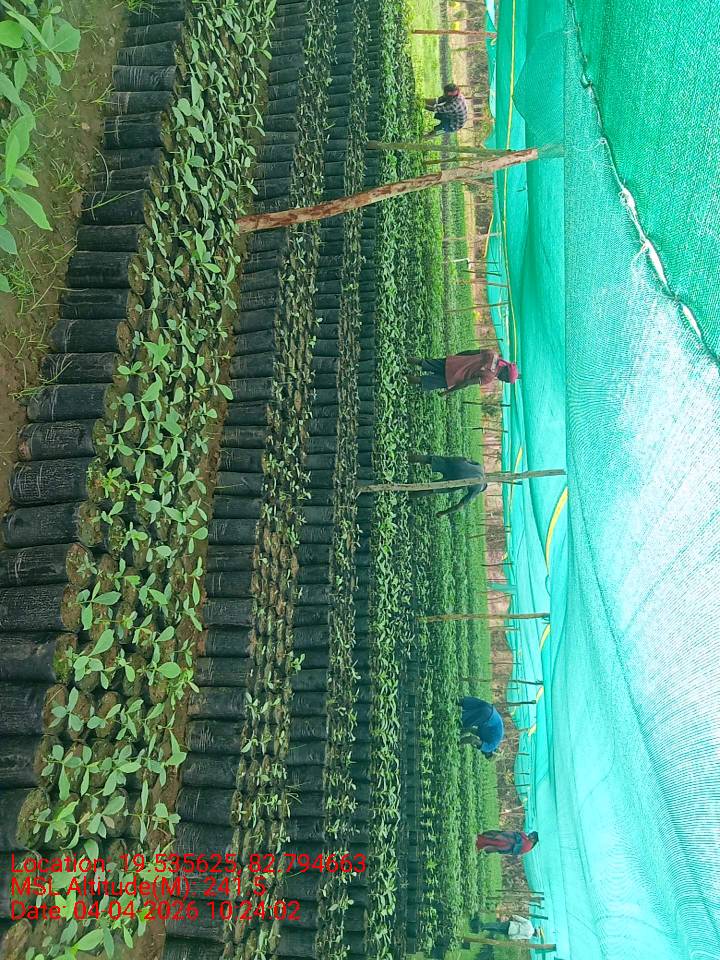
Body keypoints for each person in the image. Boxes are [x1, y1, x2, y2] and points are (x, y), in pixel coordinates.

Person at [408, 349, 519, 395]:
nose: (503, 381)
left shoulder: (492, 354)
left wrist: (456, 358)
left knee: (423, 362)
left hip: (452, 363)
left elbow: (470, 352)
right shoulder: (489, 377)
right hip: (452, 377)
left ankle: (404, 359)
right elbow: (467, 383)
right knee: (422, 381)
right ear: (505, 373)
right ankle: (403, 379)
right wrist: (448, 391)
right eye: (506, 380)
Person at [408, 453, 487, 517]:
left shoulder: (480, 467)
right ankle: (407, 495)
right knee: (433, 489)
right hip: (457, 480)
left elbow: (466, 459)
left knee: (431, 459)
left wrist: (452, 459)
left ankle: (407, 458)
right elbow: (461, 504)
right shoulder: (478, 488)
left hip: (456, 463)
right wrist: (443, 513)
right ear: (482, 489)